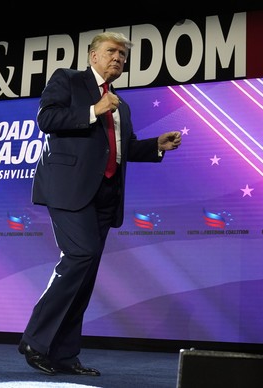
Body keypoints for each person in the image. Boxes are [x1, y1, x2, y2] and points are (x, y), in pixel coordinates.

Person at [17, 31, 182, 377]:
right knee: (80, 256)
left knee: (86, 273)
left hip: (106, 196)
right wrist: (92, 109)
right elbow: (46, 119)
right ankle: (35, 340)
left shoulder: (122, 104)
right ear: (93, 56)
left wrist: (156, 146)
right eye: (112, 52)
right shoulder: (68, 80)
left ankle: (63, 354)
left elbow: (121, 150)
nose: (118, 59)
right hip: (68, 188)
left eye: (123, 55)